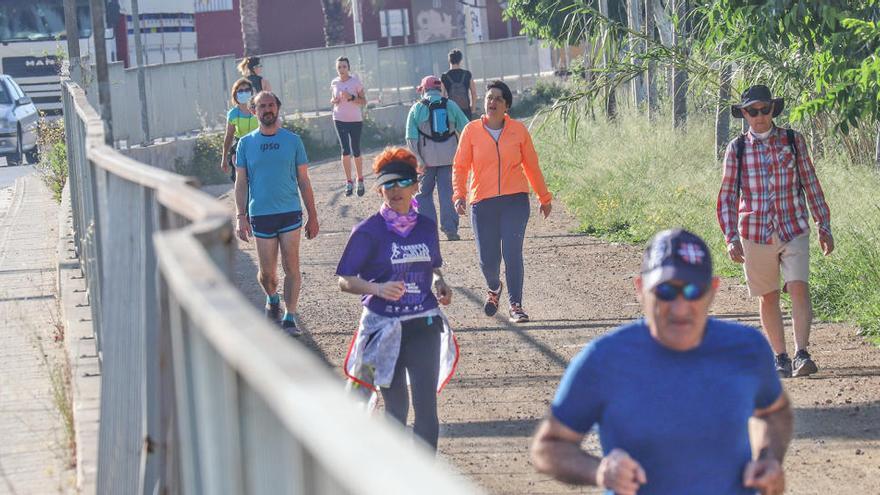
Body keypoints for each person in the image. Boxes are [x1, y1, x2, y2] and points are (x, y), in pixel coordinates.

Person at [531, 228, 793, 495]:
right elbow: (549, 446)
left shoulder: (746, 349)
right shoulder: (605, 359)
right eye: (665, 291)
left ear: (712, 291)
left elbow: (774, 412)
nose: (680, 308)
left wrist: (768, 457)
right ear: (640, 289)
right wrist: (599, 471)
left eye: (693, 291)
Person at [337, 147, 459, 451]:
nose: (394, 190)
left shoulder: (427, 228)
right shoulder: (368, 231)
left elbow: (431, 266)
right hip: (385, 328)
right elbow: (345, 280)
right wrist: (377, 289)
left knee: (427, 410)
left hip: (424, 323)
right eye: (387, 184)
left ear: (416, 185)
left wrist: (440, 282)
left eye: (402, 183)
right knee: (396, 411)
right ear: (379, 189)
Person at [717, 84, 833, 378]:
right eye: (753, 111)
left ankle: (802, 353)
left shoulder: (793, 141)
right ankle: (780, 356)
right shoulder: (737, 148)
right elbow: (728, 196)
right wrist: (730, 237)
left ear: (773, 109)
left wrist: (824, 224)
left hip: (793, 225)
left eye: (764, 109)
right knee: (768, 296)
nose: (759, 116)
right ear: (744, 114)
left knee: (798, 286)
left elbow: (811, 183)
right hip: (755, 232)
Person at [452, 80, 553, 323]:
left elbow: (531, 165)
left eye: (498, 98)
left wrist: (544, 196)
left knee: (512, 252)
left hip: (514, 201)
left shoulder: (518, 130)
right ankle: (494, 287)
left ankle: (516, 305)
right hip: (482, 203)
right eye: (489, 97)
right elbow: (460, 166)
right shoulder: (471, 131)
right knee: (488, 259)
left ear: (506, 104)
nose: (492, 102)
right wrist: (459, 195)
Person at [234, 91, 319, 336]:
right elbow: (241, 182)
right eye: (262, 106)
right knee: (268, 273)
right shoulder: (246, 143)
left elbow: (304, 180)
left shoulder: (293, 141)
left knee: (291, 266)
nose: (267, 110)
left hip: (290, 212)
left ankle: (290, 316)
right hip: (261, 214)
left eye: (271, 105)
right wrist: (241, 216)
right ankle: (272, 298)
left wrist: (312, 215)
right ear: (254, 111)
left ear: (278, 108)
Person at [406, 75, 469, 241]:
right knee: (448, 194)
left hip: (426, 161)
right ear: (439, 89)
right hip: (450, 159)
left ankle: (428, 231)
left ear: (424, 90)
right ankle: (450, 230)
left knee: (423, 195)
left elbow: (410, 138)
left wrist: (418, 159)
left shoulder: (416, 108)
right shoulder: (451, 105)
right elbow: (467, 129)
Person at [330, 56, 367, 197]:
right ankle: (348, 181)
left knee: (356, 149)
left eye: (344, 66)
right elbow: (332, 99)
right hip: (339, 118)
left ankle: (360, 179)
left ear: (348, 68)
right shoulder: (334, 82)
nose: (342, 69)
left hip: (355, 120)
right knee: (345, 150)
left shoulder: (355, 82)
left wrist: (351, 97)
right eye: (339, 67)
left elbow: (364, 101)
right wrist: (334, 100)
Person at [220, 78, 259, 182]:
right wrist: (224, 158)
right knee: (241, 180)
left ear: (251, 92)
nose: (244, 93)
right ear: (235, 94)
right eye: (240, 91)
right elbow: (229, 136)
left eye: (247, 90)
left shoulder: (259, 109)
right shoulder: (233, 114)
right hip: (240, 149)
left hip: (259, 146)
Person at [441, 49, 477, 120]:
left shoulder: (444, 76)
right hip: (466, 110)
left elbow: (442, 96)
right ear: (460, 60)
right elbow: (474, 93)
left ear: (449, 60)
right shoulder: (467, 74)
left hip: (451, 111)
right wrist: (473, 109)